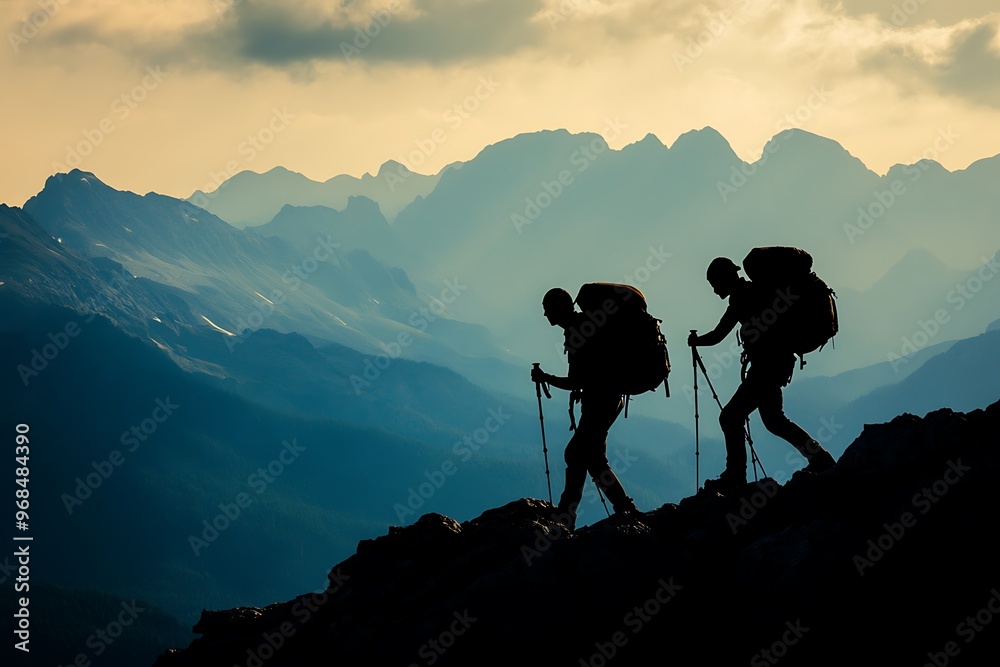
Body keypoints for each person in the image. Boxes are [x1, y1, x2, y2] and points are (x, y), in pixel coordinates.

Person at [688, 257, 836, 494]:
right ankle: (820, 458)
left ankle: (735, 475)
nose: (715, 290)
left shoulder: (742, 298)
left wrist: (696, 341)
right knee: (775, 421)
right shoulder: (755, 291)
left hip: (766, 368)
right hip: (776, 365)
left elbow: (718, 334)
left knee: (730, 417)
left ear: (724, 279)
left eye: (715, 284)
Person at [531, 287, 638, 530]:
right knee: (592, 458)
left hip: (601, 402)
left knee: (576, 454)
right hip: (609, 399)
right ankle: (624, 509)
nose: (546, 316)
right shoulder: (586, 324)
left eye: (548, 310)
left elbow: (576, 380)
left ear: (558, 309)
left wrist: (546, 378)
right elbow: (588, 374)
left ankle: (567, 516)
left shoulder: (577, 331)